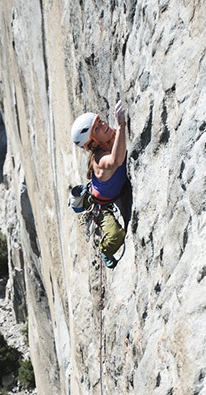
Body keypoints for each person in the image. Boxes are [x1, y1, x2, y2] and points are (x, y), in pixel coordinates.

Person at [71, 101, 128, 269]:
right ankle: (105, 250)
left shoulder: (113, 138)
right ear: (94, 144)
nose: (103, 124)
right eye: (96, 128)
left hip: (110, 193)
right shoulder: (99, 160)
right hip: (101, 206)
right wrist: (121, 126)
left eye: (100, 121)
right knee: (116, 235)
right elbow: (116, 160)